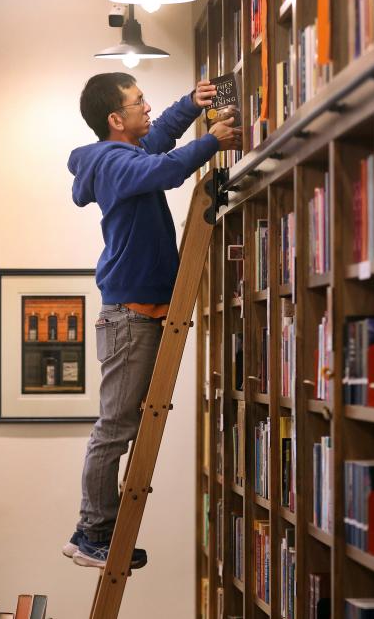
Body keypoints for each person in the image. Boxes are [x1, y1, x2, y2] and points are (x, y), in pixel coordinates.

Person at [63, 72, 240, 568]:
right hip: (130, 316)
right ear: (115, 119)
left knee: (117, 426)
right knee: (114, 429)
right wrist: (212, 140)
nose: (147, 108)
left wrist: (190, 105)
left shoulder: (122, 155)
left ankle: (93, 529)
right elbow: (166, 170)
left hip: (138, 312)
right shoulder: (116, 163)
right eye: (138, 103)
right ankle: (91, 532)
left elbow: (159, 142)